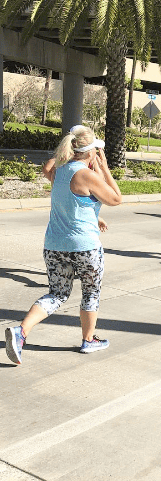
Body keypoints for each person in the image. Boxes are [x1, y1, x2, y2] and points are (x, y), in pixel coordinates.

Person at [4, 126, 122, 365]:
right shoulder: (86, 175)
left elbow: (68, 195)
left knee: (57, 294)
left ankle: (21, 331)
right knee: (90, 293)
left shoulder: (59, 171)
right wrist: (104, 167)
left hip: (54, 245)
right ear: (91, 152)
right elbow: (116, 198)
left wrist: (93, 214)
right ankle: (88, 340)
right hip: (85, 247)